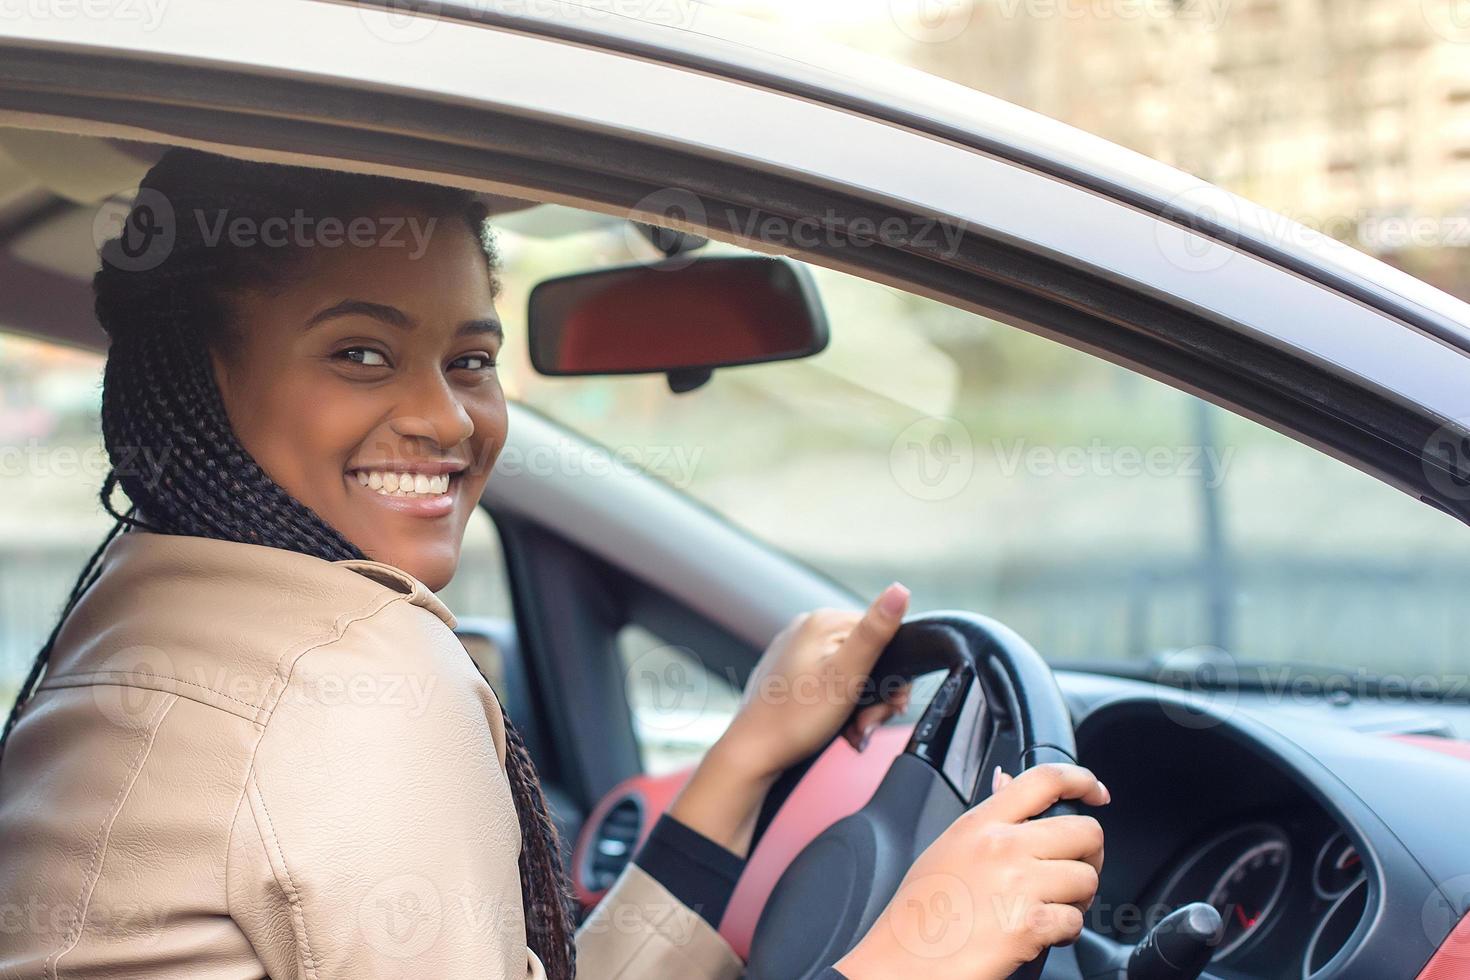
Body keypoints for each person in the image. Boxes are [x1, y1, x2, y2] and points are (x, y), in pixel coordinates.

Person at [0, 148, 1108, 979]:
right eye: (360, 352)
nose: (445, 416)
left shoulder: (142, 595)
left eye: (470, 358)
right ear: (203, 375)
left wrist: (747, 754)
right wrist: (913, 948)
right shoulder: (348, 678)